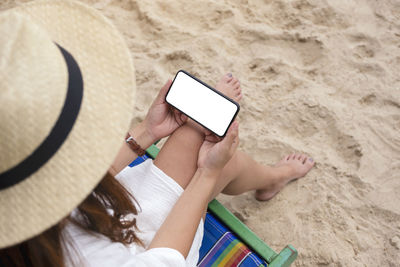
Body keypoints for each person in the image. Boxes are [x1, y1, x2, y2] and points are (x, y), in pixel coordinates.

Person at [0, 1, 314, 266]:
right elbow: (164, 256)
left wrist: (146, 132)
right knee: (219, 158)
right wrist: (207, 175)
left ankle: (265, 175)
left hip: (101, 217)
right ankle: (273, 177)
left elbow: (66, 183)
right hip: (152, 248)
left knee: (192, 131)